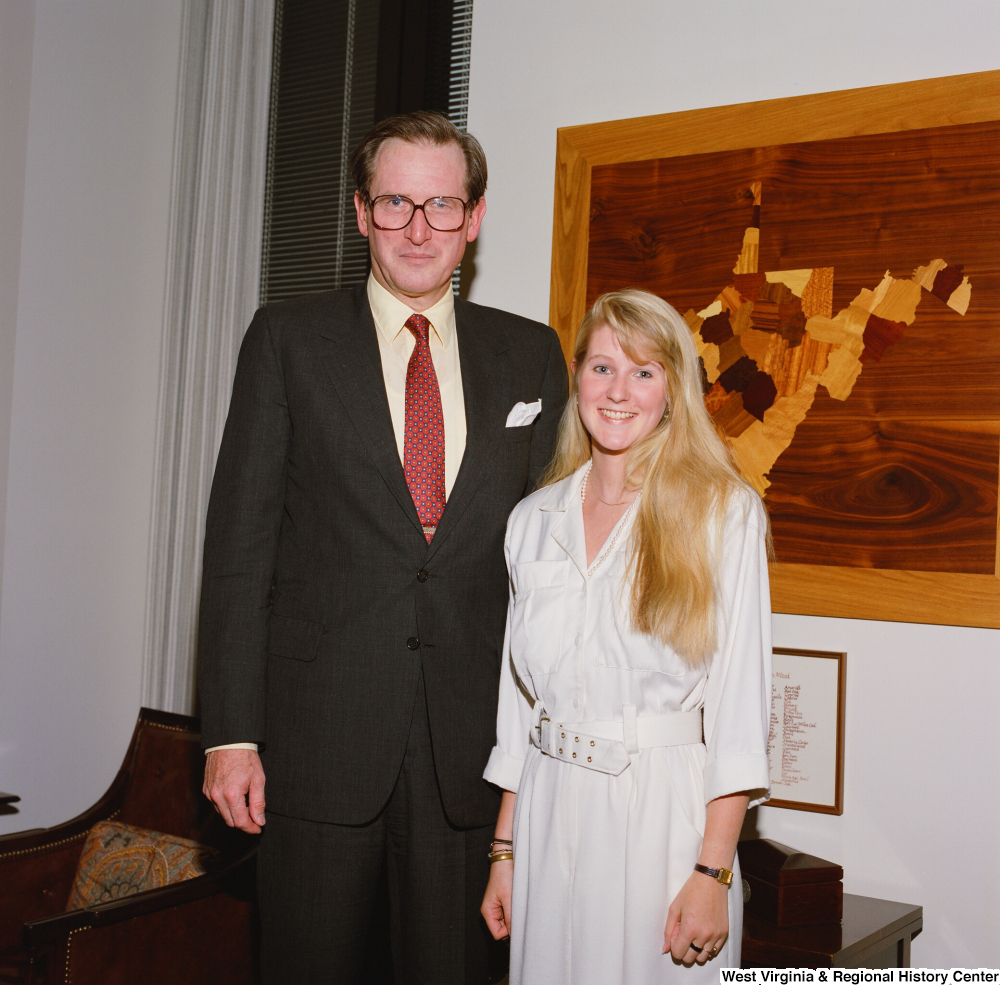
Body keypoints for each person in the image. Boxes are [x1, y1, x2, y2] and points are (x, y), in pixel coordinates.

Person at [197, 111, 568, 985]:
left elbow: (559, 565)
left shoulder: (532, 354)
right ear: (360, 212)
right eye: (395, 203)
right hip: (315, 743)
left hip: (474, 753)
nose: (418, 229)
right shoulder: (287, 342)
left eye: (441, 206)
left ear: (473, 218)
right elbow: (239, 548)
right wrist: (230, 734)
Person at [480, 289, 772, 983]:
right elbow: (521, 708)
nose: (619, 391)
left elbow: (738, 714)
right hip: (546, 815)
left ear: (673, 389)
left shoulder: (724, 513)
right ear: (575, 376)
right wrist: (503, 854)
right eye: (602, 367)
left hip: (661, 820)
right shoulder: (531, 520)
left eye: (644, 371)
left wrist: (712, 872)